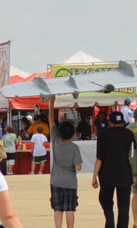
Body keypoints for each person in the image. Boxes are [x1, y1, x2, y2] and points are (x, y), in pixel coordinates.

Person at [94, 111, 135, 228]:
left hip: (106, 175)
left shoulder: (103, 135)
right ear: (123, 122)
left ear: (110, 122)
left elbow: (99, 158)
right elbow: (131, 156)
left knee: (105, 201)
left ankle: (110, 222)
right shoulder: (129, 134)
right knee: (124, 206)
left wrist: (94, 177)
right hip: (124, 173)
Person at [47, 97, 83, 228]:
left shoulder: (55, 141)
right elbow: (78, 167)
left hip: (55, 180)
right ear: (73, 133)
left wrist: (52, 102)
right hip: (70, 182)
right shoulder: (74, 148)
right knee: (69, 208)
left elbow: (51, 120)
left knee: (57, 209)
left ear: (59, 132)